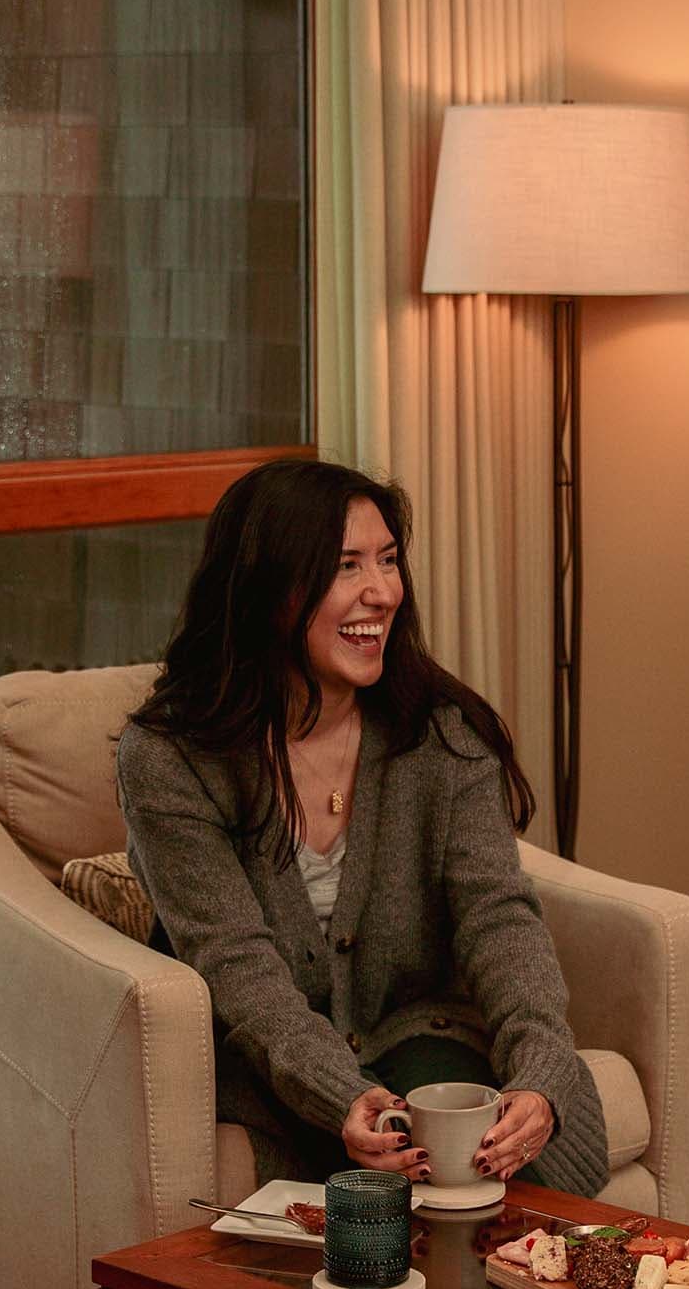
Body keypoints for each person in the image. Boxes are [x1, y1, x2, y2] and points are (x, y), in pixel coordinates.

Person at [117, 459, 607, 1198]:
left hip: (418, 1034)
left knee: (479, 1160)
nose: (381, 591)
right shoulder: (171, 756)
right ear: (267, 588)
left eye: (387, 560)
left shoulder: (441, 733)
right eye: (346, 566)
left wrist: (539, 1072)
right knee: (395, 1184)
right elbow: (235, 963)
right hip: (272, 1062)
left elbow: (499, 918)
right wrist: (338, 1093)